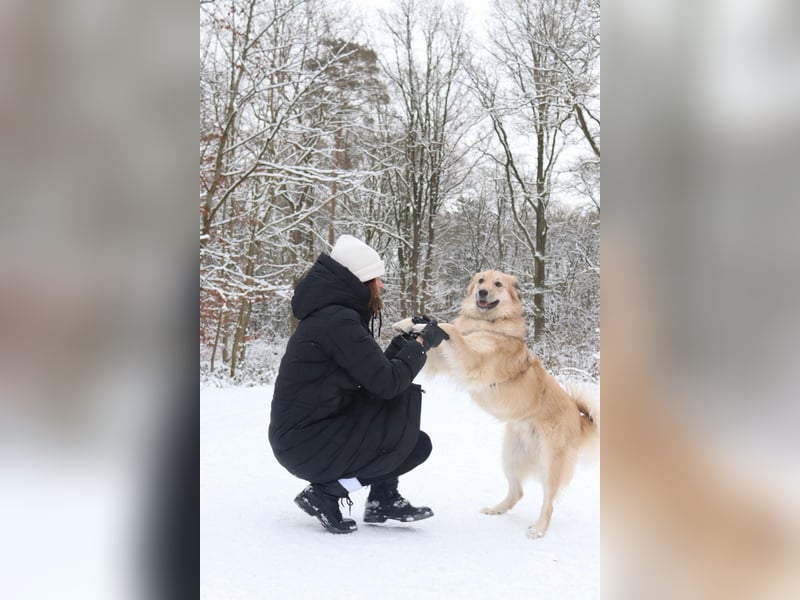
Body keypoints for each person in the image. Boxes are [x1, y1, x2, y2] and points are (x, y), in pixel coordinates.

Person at [268, 234, 449, 534]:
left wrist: (406, 341)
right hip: (305, 441)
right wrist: (419, 343)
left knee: (412, 443)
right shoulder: (336, 321)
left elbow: (373, 375)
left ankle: (383, 498)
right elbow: (387, 382)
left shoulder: (335, 316)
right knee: (406, 437)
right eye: (375, 279)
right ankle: (329, 492)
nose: (380, 286)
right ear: (360, 281)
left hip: (312, 432)